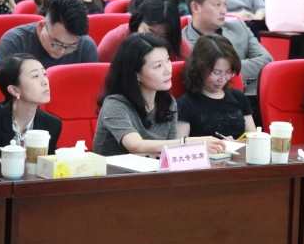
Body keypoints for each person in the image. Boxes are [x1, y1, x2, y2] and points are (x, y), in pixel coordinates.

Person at [93, 33, 225, 157]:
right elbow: (136, 146)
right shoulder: (114, 105)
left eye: (168, 60)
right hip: (113, 173)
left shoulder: (168, 103)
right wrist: (191, 143)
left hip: (153, 172)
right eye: (158, 66)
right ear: (136, 74)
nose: (168, 70)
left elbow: (169, 151)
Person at [182, 0, 272, 97]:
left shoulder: (239, 27)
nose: (224, 11)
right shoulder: (183, 41)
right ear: (196, 7)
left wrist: (224, 69)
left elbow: (267, 61)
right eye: (217, 5)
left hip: (253, 97)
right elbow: (202, 76)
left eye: (225, 4)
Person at [0, 53, 61, 162]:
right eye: (35, 76)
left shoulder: (52, 125)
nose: (45, 81)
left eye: (44, 74)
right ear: (14, 90)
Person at [177, 34, 256, 139]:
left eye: (228, 72)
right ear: (199, 69)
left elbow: (253, 137)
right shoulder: (185, 105)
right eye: (216, 72)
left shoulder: (238, 97)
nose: (222, 79)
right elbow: (180, 145)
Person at [0, 0, 98, 67]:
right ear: (41, 27)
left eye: (71, 46)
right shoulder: (15, 42)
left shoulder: (86, 46)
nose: (61, 51)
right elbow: (0, 89)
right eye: (56, 42)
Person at [99, 0, 190, 63]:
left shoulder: (179, 45)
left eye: (164, 36)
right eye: (150, 32)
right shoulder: (116, 39)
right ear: (138, 22)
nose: (155, 41)